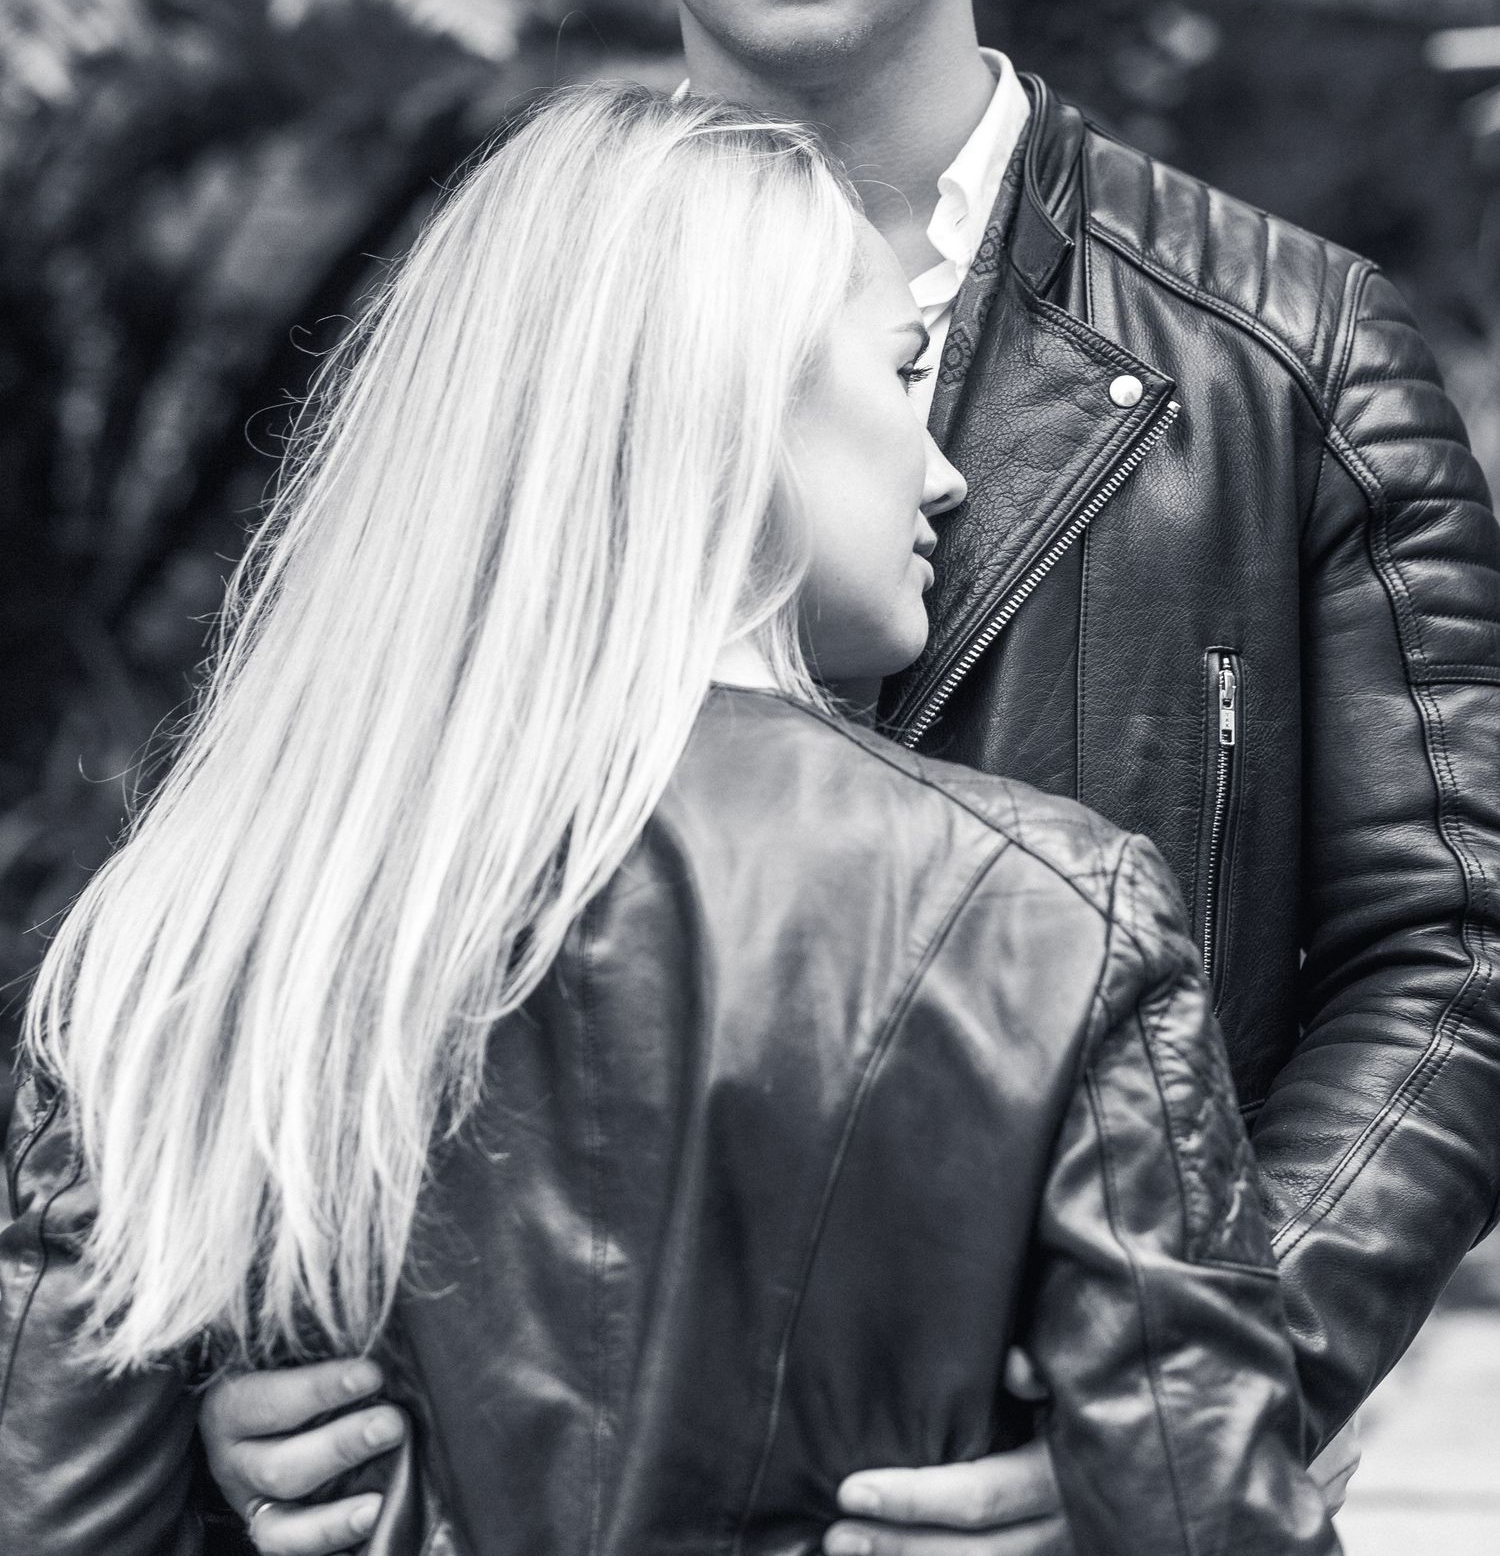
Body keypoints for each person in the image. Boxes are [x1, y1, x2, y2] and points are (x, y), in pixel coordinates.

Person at [196, 0, 1500, 1556]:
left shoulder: (1299, 357)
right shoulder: (477, 344)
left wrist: (1169, 1411)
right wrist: (236, 1347)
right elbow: (302, 877)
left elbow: (1453, 963)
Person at [0, 87, 1338, 1556]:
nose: (948, 470)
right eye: (902, 375)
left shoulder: (190, 939)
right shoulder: (1055, 919)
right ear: (737, 401)